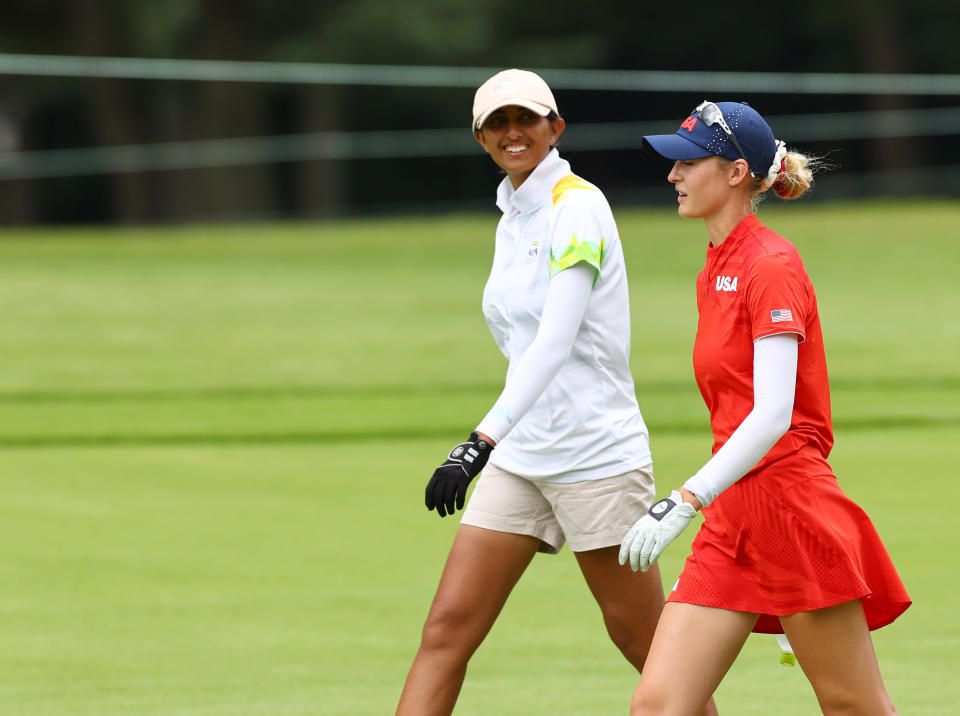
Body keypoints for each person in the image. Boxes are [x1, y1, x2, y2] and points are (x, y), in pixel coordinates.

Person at [395, 70, 718, 716]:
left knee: (644, 642)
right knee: (447, 631)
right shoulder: (512, 215)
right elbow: (520, 347)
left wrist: (478, 442)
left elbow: (554, 339)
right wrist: (499, 442)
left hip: (594, 454)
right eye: (498, 123)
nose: (513, 134)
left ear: (555, 128)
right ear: (481, 136)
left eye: (527, 120)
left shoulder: (578, 206)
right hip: (522, 456)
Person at [619, 100, 912, 715]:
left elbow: (775, 413)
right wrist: (708, 500)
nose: (672, 175)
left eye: (688, 163)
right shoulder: (716, 265)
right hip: (733, 516)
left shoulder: (770, 263)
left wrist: (684, 500)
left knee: (852, 705)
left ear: (734, 173)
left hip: (789, 507)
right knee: (658, 706)